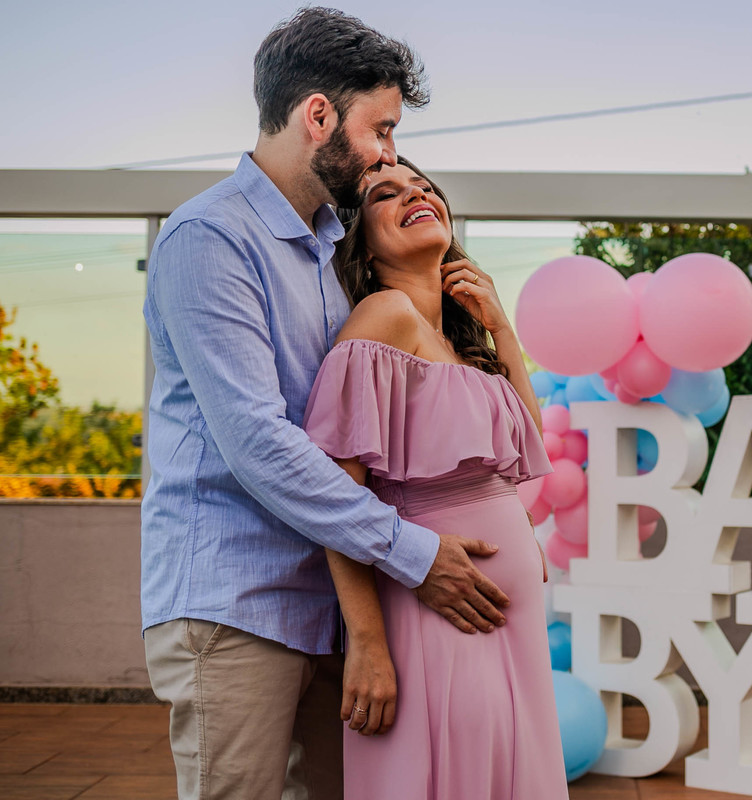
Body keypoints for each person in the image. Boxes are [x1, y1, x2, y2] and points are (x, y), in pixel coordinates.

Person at [141, 9, 509, 799]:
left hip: (340, 601)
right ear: (318, 117)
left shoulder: (334, 247)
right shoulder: (209, 238)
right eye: (381, 128)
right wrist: (413, 555)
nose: (389, 153)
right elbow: (257, 442)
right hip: (239, 602)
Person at [302, 156, 568, 799]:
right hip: (436, 609)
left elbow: (525, 447)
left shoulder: (459, 344)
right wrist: (366, 642)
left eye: (423, 189)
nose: (414, 195)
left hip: (509, 625)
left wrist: (499, 324)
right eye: (384, 195)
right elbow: (335, 492)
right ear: (360, 242)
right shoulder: (384, 316)